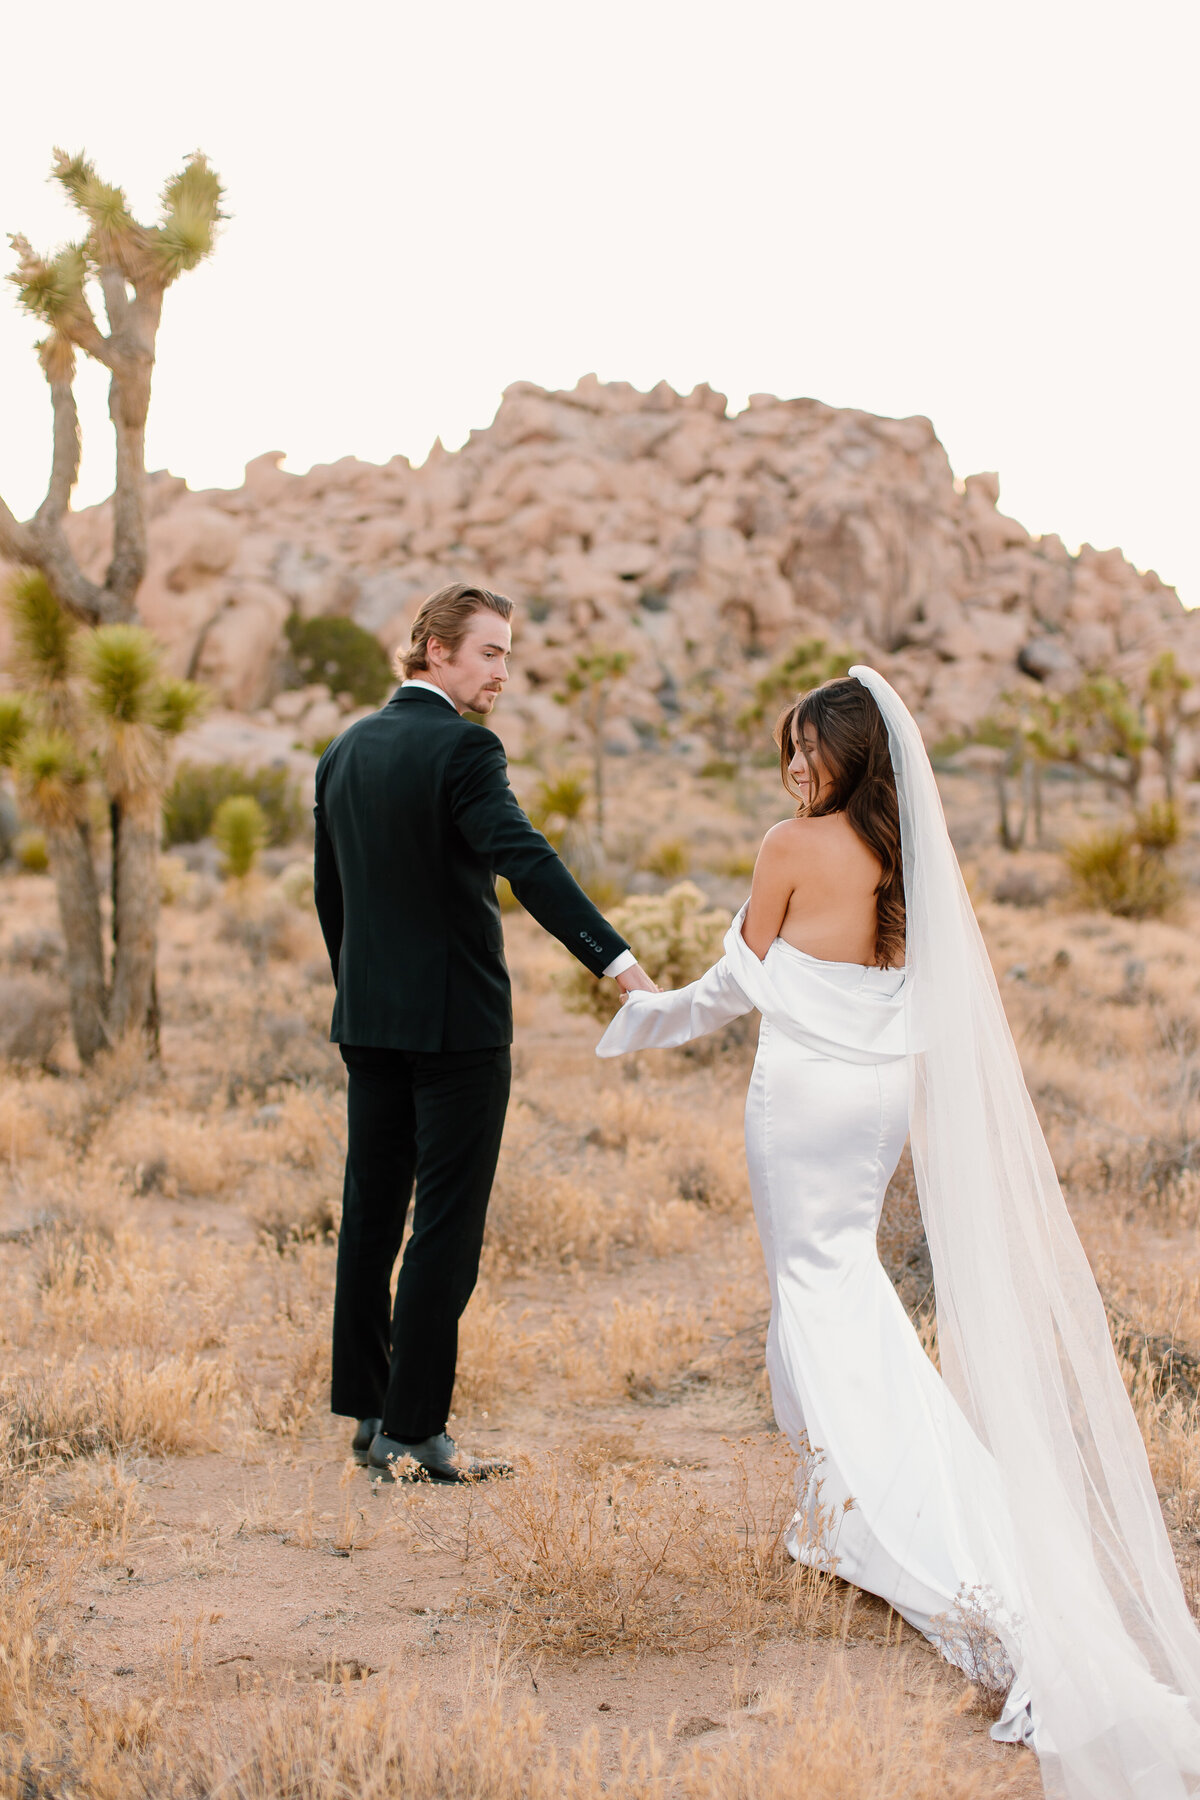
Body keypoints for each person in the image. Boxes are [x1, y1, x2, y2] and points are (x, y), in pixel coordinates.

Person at [598, 669, 1200, 1798]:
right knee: (844, 1283)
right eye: (787, 751)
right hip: (878, 1107)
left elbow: (739, 979)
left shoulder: (792, 845)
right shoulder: (910, 856)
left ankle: (882, 1515)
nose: (793, 769)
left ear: (848, 756)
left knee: (813, 1293)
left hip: (804, 1101)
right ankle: (838, 1511)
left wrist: (645, 1015)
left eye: (807, 751)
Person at [314, 582, 655, 1484]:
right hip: (457, 1028)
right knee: (445, 1229)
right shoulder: (466, 750)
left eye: (507, 652)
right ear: (435, 650)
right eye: (491, 652)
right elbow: (525, 858)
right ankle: (415, 1432)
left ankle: (371, 1411)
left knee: (372, 1215)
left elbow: (331, 897)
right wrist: (615, 960)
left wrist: (360, 990)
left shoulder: (343, 751)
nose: (504, 670)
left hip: (371, 1020)